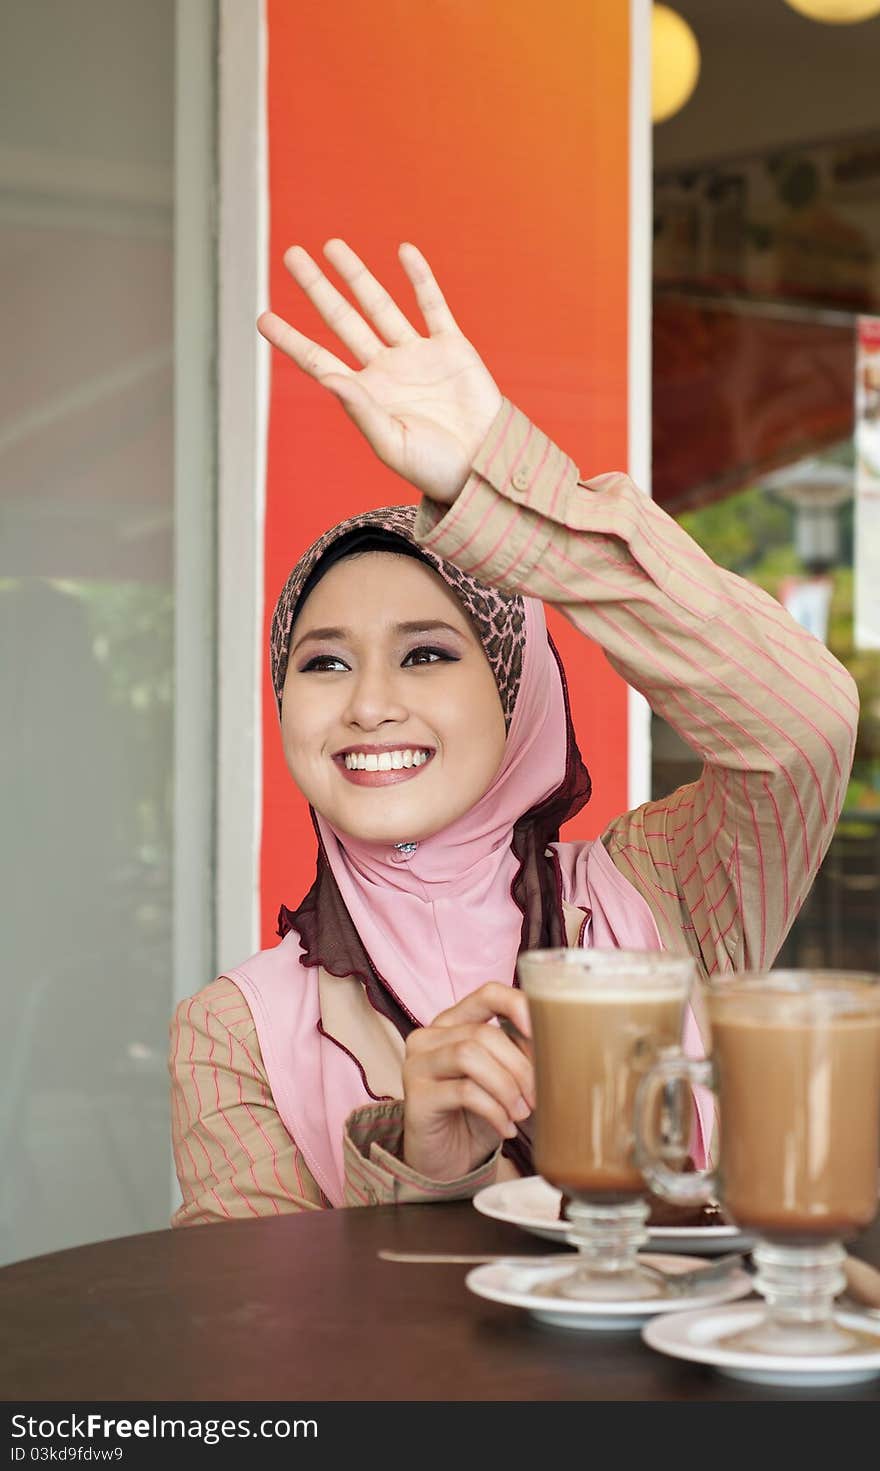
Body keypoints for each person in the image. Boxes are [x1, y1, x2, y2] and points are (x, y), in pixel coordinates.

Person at [169, 239, 858, 1225]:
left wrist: (500, 481)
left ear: (516, 693)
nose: (367, 703)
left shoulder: (664, 895)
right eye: (321, 661)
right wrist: (420, 1163)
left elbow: (801, 723)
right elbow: (252, 1348)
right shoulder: (233, 1032)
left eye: (426, 654)